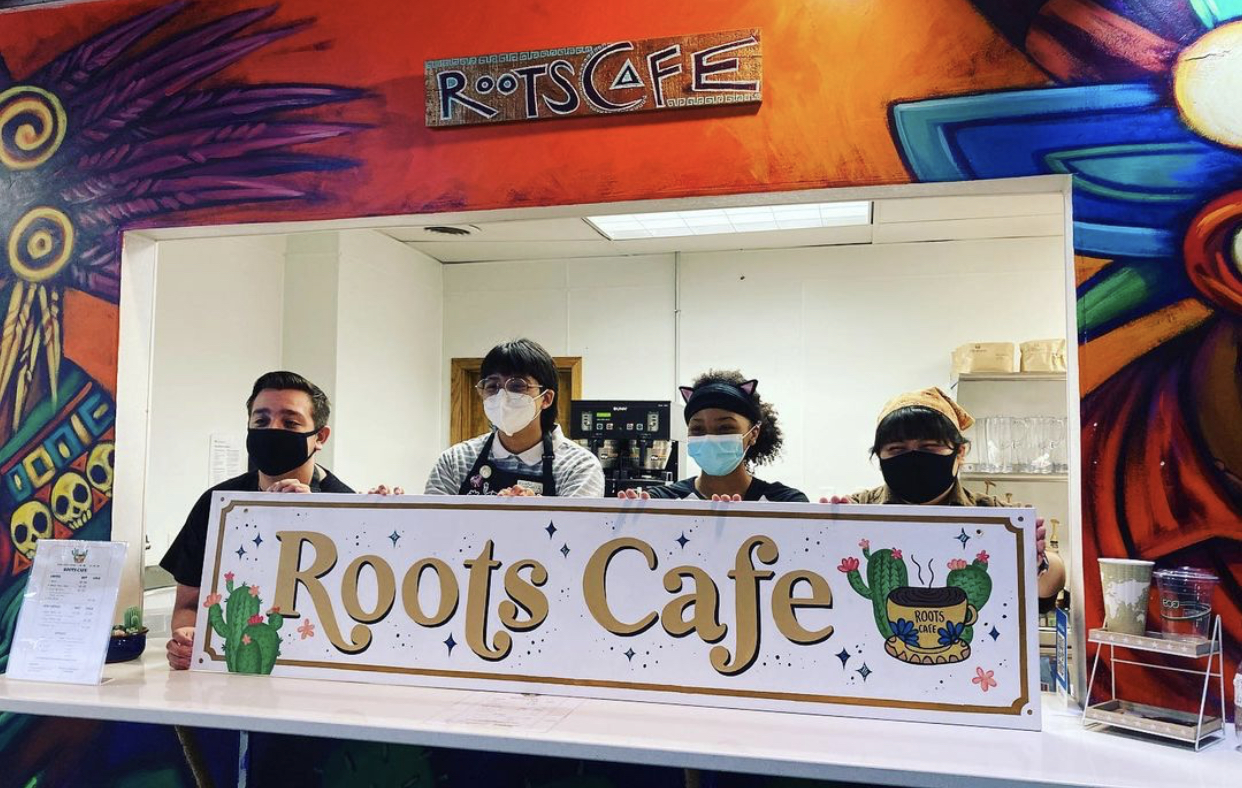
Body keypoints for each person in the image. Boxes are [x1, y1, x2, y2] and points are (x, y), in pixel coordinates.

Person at [163, 371, 353, 669]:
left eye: (290, 422)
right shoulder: (217, 504)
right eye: (261, 421)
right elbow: (188, 606)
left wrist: (316, 514)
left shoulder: (347, 508)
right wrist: (186, 639)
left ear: (320, 437)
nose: (273, 430)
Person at [829, 387, 1065, 606]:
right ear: (879, 457)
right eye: (896, 449)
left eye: (929, 447)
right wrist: (825, 531)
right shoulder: (857, 509)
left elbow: (1049, 587)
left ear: (960, 452)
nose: (913, 458)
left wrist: (1036, 559)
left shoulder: (997, 515)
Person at [425, 338, 604, 498]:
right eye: (492, 386)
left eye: (517, 386)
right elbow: (431, 525)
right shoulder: (456, 461)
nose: (502, 396)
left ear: (546, 398)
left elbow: (577, 531)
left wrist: (536, 515)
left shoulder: (578, 466)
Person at [622, 371, 808, 502]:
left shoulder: (785, 503)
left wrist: (834, 523)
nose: (709, 437)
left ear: (753, 434)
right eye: (697, 429)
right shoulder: (662, 501)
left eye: (725, 427)